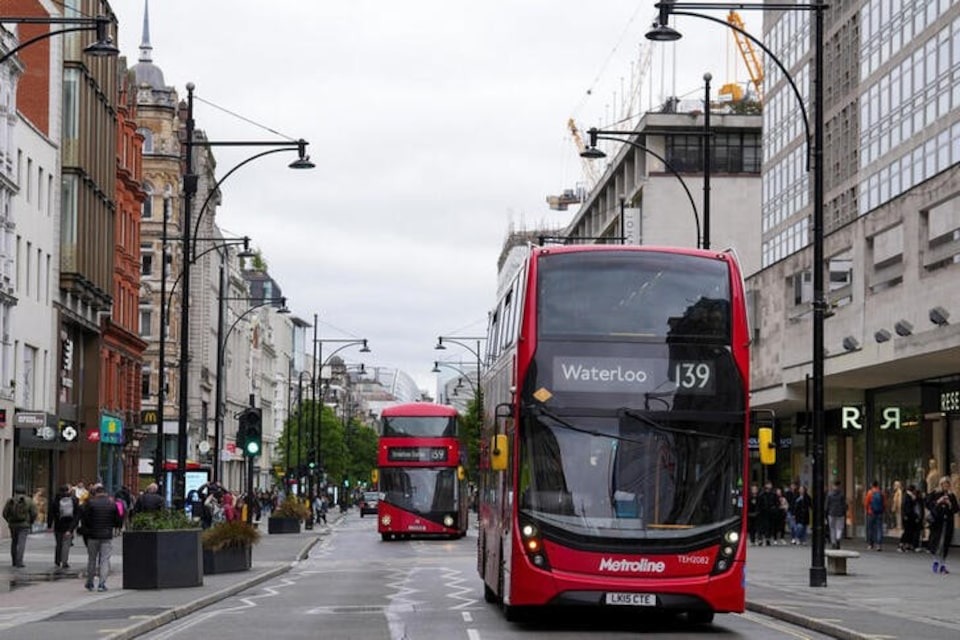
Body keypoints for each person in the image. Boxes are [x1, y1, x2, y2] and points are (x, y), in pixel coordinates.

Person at [79, 484, 121, 592]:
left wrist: (86, 531)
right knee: (104, 560)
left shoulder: (90, 503)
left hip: (92, 535)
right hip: (106, 535)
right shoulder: (112, 504)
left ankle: (90, 582)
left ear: (96, 493)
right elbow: (117, 519)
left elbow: (85, 519)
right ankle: (102, 584)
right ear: (105, 493)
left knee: (92, 559)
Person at [926, 476, 960, 574]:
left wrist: (949, 504)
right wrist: (938, 501)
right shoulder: (935, 493)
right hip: (937, 522)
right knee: (937, 543)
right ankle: (936, 561)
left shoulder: (951, 495)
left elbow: (956, 509)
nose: (946, 486)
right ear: (941, 484)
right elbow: (928, 504)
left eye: (948, 484)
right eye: (944, 484)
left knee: (945, 544)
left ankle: (942, 564)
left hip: (947, 523)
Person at [3, 486, 37, 568]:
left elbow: (4, 513)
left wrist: (9, 521)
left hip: (13, 525)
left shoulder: (10, 500)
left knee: (14, 542)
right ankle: (19, 562)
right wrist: (30, 522)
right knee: (21, 543)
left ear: (15, 492)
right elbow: (34, 513)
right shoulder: (29, 501)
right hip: (24, 525)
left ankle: (14, 561)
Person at [49, 484, 80, 569]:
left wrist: (49, 524)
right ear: (68, 491)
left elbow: (51, 513)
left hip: (58, 525)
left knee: (58, 544)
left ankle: (57, 561)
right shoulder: (74, 500)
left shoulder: (55, 500)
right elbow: (77, 514)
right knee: (66, 544)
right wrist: (73, 527)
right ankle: (64, 562)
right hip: (69, 525)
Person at [899, 483, 922, 552]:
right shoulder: (908, 496)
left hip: (908, 517)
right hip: (909, 517)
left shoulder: (906, 496)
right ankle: (903, 544)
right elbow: (908, 507)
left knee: (908, 531)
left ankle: (906, 544)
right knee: (907, 531)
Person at [864, 480, 885, 551]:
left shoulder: (870, 493)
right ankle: (879, 545)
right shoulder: (881, 493)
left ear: (872, 485)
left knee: (871, 528)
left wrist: (867, 510)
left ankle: (870, 544)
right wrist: (882, 510)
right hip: (879, 513)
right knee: (879, 528)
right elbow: (884, 503)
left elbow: (866, 503)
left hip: (871, 512)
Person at [825, 480, 847, 549]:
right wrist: (844, 511)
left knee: (832, 528)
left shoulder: (829, 494)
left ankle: (833, 542)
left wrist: (826, 512)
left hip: (831, 513)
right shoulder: (842, 494)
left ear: (833, 486)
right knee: (839, 528)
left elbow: (826, 505)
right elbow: (844, 505)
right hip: (840, 514)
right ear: (839, 486)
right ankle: (838, 538)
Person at [757, 482, 779, 546]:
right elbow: (759, 504)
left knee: (769, 527)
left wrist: (775, 509)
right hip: (762, 513)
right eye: (768, 485)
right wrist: (758, 511)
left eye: (770, 485)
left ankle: (767, 539)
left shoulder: (774, 494)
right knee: (761, 527)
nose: (769, 486)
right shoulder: (761, 494)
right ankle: (760, 539)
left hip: (771, 513)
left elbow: (776, 503)